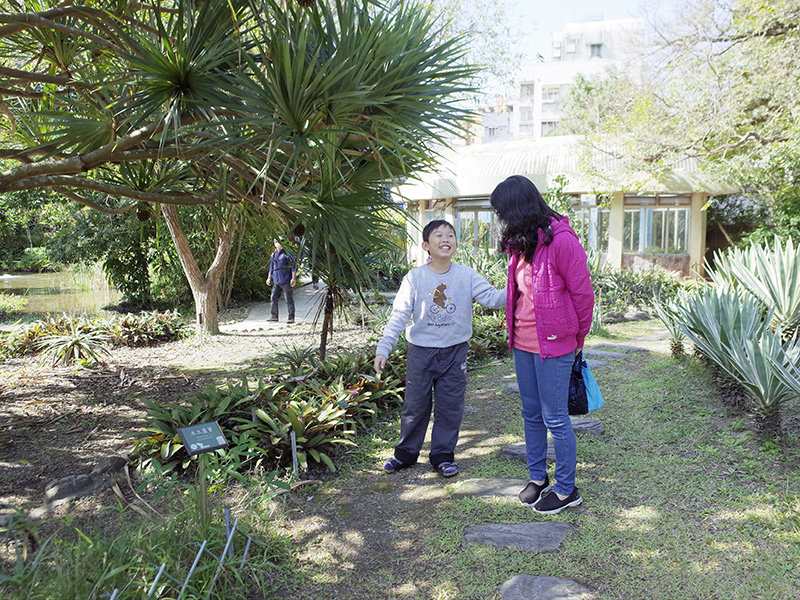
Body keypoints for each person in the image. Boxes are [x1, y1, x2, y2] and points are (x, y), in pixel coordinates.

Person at [490, 175, 595, 515]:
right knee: (531, 414)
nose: (499, 218)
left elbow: (583, 295)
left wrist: (578, 340)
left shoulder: (562, 241)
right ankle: (538, 478)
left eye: (502, 211)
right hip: (522, 342)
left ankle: (566, 489)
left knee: (555, 418)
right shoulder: (519, 243)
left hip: (556, 344)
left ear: (518, 208)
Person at [374, 220, 505, 478]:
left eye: (451, 235)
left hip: (455, 353)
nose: (446, 239)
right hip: (421, 353)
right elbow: (399, 315)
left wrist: (518, 282)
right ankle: (405, 454)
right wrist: (384, 347)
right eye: (438, 235)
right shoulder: (415, 278)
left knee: (450, 406)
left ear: (456, 244)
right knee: (415, 406)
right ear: (426, 245)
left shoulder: (466, 275)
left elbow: (492, 298)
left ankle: (443, 456)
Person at [266, 238, 297, 324]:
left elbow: (293, 267)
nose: (280, 244)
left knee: (289, 299)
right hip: (277, 281)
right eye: (278, 242)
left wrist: (293, 278)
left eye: (282, 242)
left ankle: (291, 317)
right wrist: (269, 278)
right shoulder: (273, 255)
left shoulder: (288, 253)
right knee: (273, 297)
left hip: (286, 281)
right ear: (275, 243)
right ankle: (274, 316)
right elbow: (271, 267)